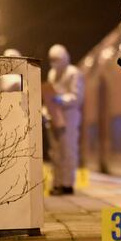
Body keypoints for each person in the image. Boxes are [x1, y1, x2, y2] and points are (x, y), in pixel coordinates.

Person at [46, 44, 84, 195]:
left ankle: (67, 184)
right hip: (54, 117)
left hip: (69, 117)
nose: (54, 62)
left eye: (57, 59)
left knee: (68, 150)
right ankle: (57, 183)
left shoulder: (73, 73)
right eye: (52, 59)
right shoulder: (51, 74)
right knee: (55, 152)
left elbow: (77, 97)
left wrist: (60, 99)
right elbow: (49, 96)